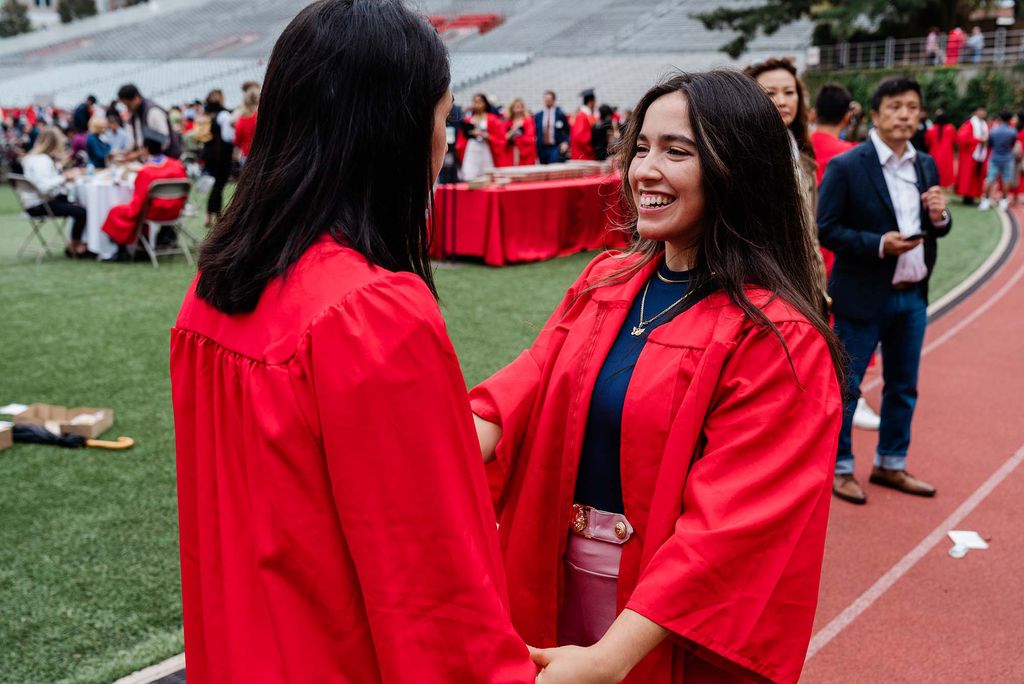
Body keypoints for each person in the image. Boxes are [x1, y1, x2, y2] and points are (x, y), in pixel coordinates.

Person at [169, 1, 535, 681]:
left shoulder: (213, 290)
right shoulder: (371, 313)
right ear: (393, 133)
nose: (446, 142)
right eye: (441, 120)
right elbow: (433, 591)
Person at [471, 70, 842, 684]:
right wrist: (427, 451)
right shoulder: (607, 280)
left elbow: (727, 529)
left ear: (735, 169)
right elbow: (523, 387)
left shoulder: (778, 337)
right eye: (640, 147)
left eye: (677, 151)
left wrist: (608, 661)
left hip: (660, 622)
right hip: (553, 578)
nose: (644, 169)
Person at [818, 76, 951, 505]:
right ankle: (840, 468)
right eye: (895, 107)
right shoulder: (847, 166)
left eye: (912, 107)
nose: (905, 115)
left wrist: (940, 217)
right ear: (875, 115)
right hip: (862, 294)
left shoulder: (925, 164)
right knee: (849, 386)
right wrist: (879, 245)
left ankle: (891, 462)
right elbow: (827, 229)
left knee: (903, 385)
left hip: (912, 294)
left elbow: (936, 228)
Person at [744, 57, 828, 307]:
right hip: (761, 291)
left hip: (806, 288)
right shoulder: (740, 158)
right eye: (770, 93)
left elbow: (810, 237)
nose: (781, 101)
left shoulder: (803, 158)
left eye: (789, 92)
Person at [101, 132, 188, 254]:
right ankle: (141, 246)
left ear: (146, 149)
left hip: (154, 213)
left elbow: (138, 204)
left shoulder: (146, 172)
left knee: (115, 211)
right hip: (174, 211)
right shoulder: (177, 165)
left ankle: (122, 251)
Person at [17, 127, 89, 258]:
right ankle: (75, 245)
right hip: (40, 204)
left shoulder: (32, 158)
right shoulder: (42, 160)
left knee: (75, 204)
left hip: (34, 202)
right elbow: (44, 187)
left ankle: (77, 243)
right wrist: (64, 177)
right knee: (81, 212)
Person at [117, 83, 182, 159]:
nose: (127, 108)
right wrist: (129, 151)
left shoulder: (153, 112)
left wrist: (138, 154)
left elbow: (164, 140)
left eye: (128, 105)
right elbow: (139, 138)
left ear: (136, 98)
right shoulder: (137, 113)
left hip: (167, 159)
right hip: (152, 159)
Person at [200, 89, 235, 227]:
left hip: (210, 154)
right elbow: (228, 137)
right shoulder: (224, 114)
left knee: (217, 185)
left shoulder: (207, 113)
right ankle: (212, 215)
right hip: (221, 155)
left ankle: (215, 215)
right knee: (218, 186)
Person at [456, 92, 503, 180]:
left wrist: (485, 135)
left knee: (487, 175)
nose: (477, 104)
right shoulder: (468, 120)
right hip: (471, 150)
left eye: (480, 101)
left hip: (486, 149)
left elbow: (499, 138)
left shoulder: (492, 119)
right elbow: (462, 139)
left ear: (485, 103)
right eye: (475, 102)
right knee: (469, 175)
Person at [979, 110, 1017, 211]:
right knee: (1006, 179)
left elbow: (990, 145)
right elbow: (1012, 144)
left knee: (990, 178)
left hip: (995, 157)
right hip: (1007, 158)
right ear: (1009, 119)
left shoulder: (993, 131)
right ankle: (1003, 201)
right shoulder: (1012, 131)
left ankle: (985, 200)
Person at [956, 105, 989, 204]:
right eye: (981, 110)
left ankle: (973, 196)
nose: (983, 113)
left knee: (976, 176)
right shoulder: (970, 124)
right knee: (969, 177)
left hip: (980, 154)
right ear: (975, 112)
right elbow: (962, 138)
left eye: (984, 110)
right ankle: (967, 197)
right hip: (970, 154)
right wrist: (979, 140)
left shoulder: (984, 124)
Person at [535, 89, 569, 164]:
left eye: (549, 100)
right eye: (546, 100)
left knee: (553, 164)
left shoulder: (560, 115)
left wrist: (565, 142)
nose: (547, 102)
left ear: (553, 100)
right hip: (541, 147)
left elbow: (567, 131)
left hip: (554, 146)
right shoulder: (538, 116)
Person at [501, 97, 537, 166]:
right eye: (515, 107)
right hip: (511, 151)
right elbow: (503, 138)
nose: (517, 109)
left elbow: (530, 137)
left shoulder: (528, 121)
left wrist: (517, 140)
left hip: (524, 152)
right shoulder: (507, 123)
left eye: (519, 107)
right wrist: (513, 130)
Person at [924, 109, 956, 188]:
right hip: (947, 155)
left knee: (934, 172)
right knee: (945, 174)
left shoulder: (931, 129)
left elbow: (927, 142)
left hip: (934, 155)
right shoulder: (950, 128)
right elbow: (955, 141)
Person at [232, 87, 259, 163]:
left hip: (247, 156)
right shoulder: (262, 117)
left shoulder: (242, 120)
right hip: (263, 153)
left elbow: (237, 141)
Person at [570, 88, 597, 160]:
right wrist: (592, 149)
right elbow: (580, 137)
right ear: (591, 102)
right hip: (582, 154)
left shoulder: (587, 115)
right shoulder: (582, 116)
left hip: (584, 153)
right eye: (595, 101)